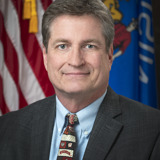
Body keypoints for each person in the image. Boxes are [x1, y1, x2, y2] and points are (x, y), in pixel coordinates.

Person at [0, 0, 160, 159]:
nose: (76, 61)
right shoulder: (7, 129)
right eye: (63, 46)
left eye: (89, 46)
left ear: (110, 55)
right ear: (45, 57)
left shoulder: (153, 131)